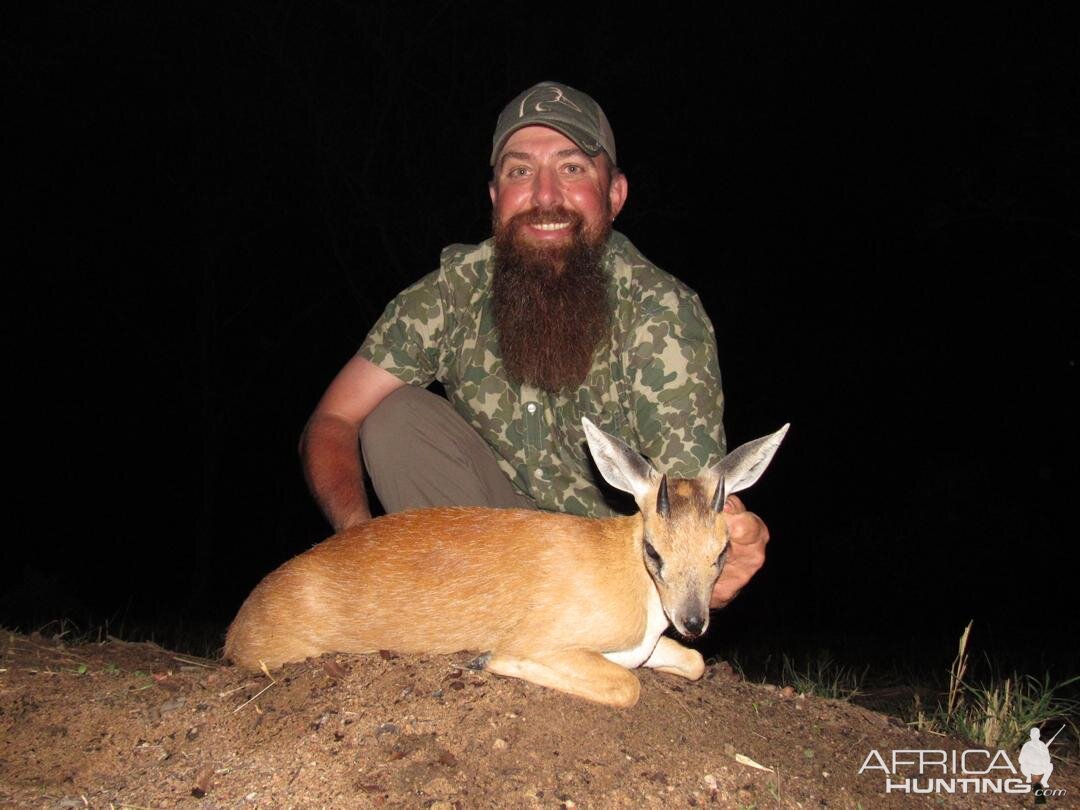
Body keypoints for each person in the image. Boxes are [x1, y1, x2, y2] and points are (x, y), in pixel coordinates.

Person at [300, 81, 771, 608]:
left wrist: (725, 563)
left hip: (601, 577)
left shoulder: (663, 316)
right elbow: (333, 421)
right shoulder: (451, 295)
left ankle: (585, 643)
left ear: (614, 195)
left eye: (572, 169)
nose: (545, 197)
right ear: (496, 197)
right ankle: (462, 615)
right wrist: (358, 541)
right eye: (520, 171)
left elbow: (689, 508)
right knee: (395, 417)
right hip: (488, 552)